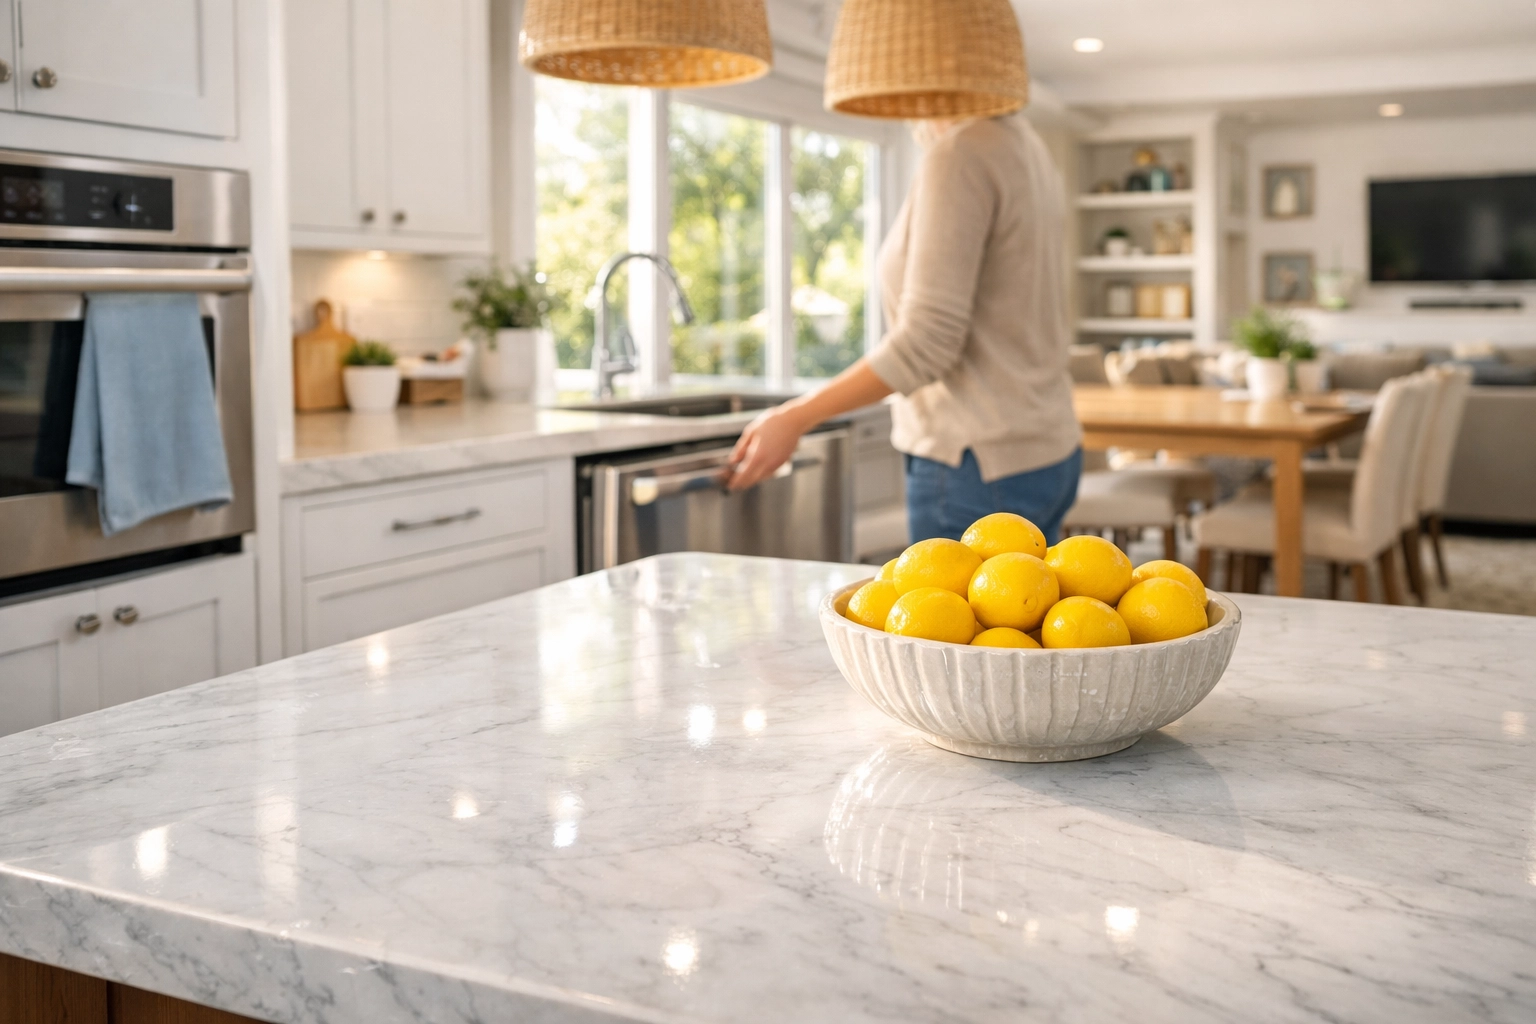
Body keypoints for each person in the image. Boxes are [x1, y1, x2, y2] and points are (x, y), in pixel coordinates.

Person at [727, 113, 1082, 544]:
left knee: (946, 613)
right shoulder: (1026, 142)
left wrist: (795, 417)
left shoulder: (959, 153)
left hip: (976, 460)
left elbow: (927, 342)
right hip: (1048, 449)